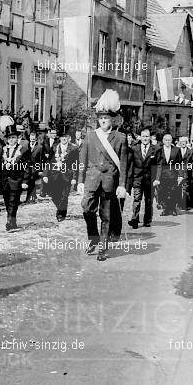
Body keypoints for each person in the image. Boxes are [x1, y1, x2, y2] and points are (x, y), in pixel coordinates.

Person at [77, 90, 129, 261]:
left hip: (109, 181)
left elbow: (123, 163)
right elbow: (82, 160)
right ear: (97, 120)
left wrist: (122, 185)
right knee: (86, 209)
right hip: (92, 180)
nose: (103, 121)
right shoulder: (90, 136)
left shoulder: (120, 138)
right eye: (100, 118)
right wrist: (79, 181)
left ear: (111, 119)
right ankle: (93, 238)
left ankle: (103, 249)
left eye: (106, 118)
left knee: (106, 216)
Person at [0, 125, 31, 230]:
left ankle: (9, 222)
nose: (11, 140)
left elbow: (27, 166)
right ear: (7, 139)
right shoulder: (2, 149)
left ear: (17, 138)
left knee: (14, 202)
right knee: (7, 201)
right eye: (9, 138)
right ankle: (13, 221)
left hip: (17, 180)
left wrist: (25, 181)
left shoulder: (23, 150)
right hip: (4, 180)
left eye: (13, 137)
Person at [45, 126, 80, 222]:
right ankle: (60, 208)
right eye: (62, 137)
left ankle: (61, 213)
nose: (64, 139)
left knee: (64, 196)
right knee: (54, 195)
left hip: (67, 175)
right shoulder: (55, 147)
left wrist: (74, 177)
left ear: (69, 138)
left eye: (66, 137)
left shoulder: (73, 148)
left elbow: (75, 163)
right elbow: (49, 161)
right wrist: (46, 175)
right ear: (59, 138)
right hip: (55, 175)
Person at [128, 128, 157, 228]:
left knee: (148, 200)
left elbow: (157, 165)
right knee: (137, 199)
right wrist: (130, 179)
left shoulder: (155, 149)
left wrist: (156, 179)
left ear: (150, 137)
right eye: (143, 136)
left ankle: (147, 220)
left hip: (150, 179)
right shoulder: (134, 148)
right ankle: (135, 219)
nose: (145, 138)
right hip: (137, 178)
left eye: (147, 136)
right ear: (140, 137)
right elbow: (131, 164)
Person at [153, 134, 184, 216]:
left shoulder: (176, 150)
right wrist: (156, 177)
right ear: (163, 141)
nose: (167, 141)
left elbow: (179, 163)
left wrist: (180, 175)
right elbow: (157, 164)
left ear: (171, 141)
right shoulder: (159, 150)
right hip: (162, 175)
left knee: (173, 192)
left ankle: (173, 208)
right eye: (166, 140)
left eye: (169, 140)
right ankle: (165, 209)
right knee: (163, 192)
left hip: (173, 174)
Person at [25, 131, 45, 203]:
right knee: (29, 181)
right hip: (27, 167)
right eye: (31, 139)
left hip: (35, 167)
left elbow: (41, 159)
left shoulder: (40, 147)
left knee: (32, 180)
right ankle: (32, 196)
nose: (32, 140)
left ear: (36, 139)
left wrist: (40, 170)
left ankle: (30, 197)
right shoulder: (26, 146)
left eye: (34, 139)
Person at [177, 136, 193, 209]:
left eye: (184, 142)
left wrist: (189, 168)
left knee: (185, 189)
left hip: (186, 173)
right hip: (177, 172)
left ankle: (184, 205)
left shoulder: (190, 151)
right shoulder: (176, 151)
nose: (183, 143)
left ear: (186, 143)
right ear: (179, 143)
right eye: (181, 142)